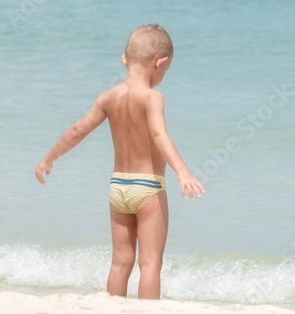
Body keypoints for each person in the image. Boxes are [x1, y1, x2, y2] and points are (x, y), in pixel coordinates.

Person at [35, 24, 204, 299]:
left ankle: (112, 312)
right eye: (166, 70)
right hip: (147, 188)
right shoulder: (152, 97)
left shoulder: (107, 97)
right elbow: (159, 135)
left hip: (118, 189)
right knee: (150, 264)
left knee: (120, 261)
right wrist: (182, 172)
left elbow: (78, 130)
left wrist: (49, 158)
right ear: (160, 63)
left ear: (125, 59)